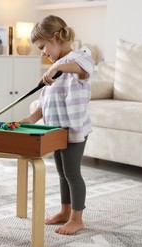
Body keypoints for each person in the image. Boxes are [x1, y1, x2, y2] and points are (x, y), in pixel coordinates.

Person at [20, 15, 94, 235]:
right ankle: (64, 210)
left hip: (74, 130)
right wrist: (32, 118)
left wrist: (54, 69)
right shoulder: (56, 68)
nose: (43, 52)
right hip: (55, 131)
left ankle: (77, 218)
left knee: (72, 173)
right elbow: (45, 101)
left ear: (56, 37)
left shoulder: (80, 57)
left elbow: (83, 68)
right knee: (62, 174)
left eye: (43, 47)